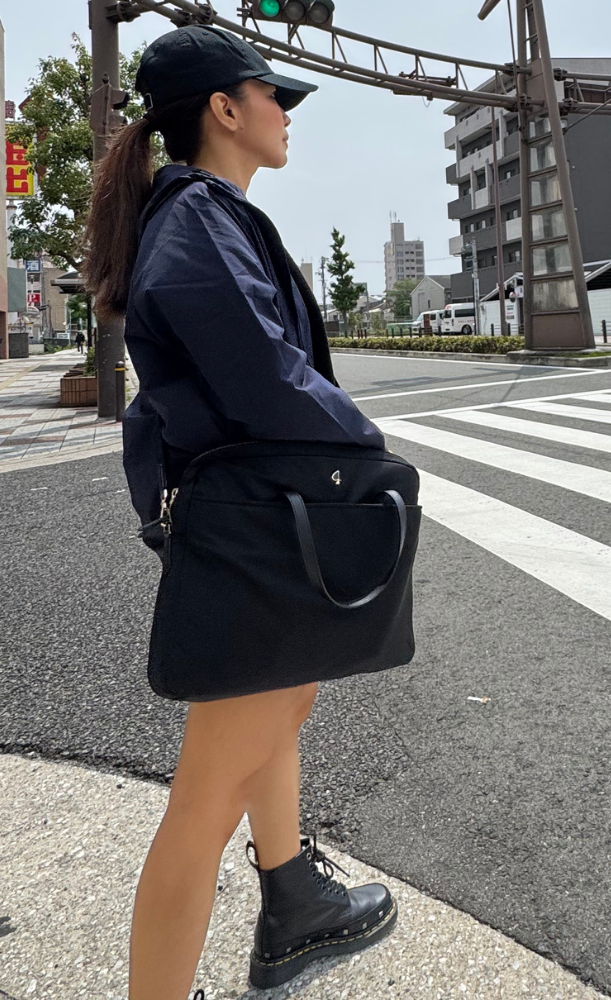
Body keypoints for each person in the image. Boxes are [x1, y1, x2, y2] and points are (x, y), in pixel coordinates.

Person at [83, 26, 398, 998]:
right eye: (275, 95)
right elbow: (264, 374)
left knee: (282, 702)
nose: (285, 113)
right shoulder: (199, 220)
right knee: (209, 787)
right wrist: (361, 447)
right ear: (225, 109)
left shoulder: (194, 214)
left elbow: (171, 398)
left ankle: (293, 897)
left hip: (251, 513)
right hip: (253, 520)